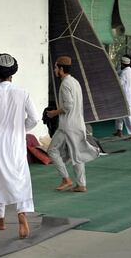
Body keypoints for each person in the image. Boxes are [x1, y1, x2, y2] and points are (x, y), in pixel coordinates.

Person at [0, 53, 39, 239]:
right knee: (20, 178)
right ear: (13, 73)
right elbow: (35, 119)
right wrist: (21, 129)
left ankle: (1, 220)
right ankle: (21, 215)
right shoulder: (23, 93)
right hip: (16, 145)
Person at [46, 56, 99, 193]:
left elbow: (68, 106)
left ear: (61, 69)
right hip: (78, 123)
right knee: (77, 153)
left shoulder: (65, 84)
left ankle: (66, 179)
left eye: (56, 67)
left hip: (67, 126)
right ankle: (81, 184)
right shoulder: (75, 82)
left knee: (52, 151)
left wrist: (54, 113)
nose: (55, 69)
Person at [113, 56, 131, 141]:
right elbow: (118, 71)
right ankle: (119, 130)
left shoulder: (124, 73)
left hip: (126, 97)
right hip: (129, 96)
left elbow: (120, 83)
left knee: (128, 116)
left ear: (123, 64)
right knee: (120, 112)